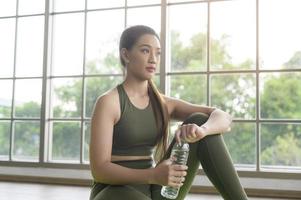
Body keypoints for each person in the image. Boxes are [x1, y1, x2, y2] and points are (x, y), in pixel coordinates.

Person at [89, 25, 248, 200]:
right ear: (126, 54)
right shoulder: (109, 102)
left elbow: (223, 118)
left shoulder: (163, 103)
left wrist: (202, 131)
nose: (153, 59)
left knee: (200, 120)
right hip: (114, 190)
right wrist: (152, 175)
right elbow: (100, 170)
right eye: (145, 51)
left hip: (156, 186)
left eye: (158, 53)